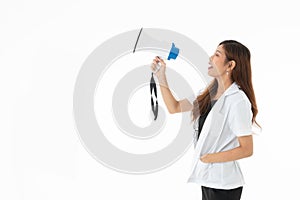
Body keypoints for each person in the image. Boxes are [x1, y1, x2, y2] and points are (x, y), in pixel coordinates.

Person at [150, 40, 259, 200]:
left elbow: (246, 149)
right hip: (208, 179)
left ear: (230, 65)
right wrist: (161, 76)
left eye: (217, 54)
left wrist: (208, 157)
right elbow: (174, 107)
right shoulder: (207, 93)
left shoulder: (238, 101)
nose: (210, 58)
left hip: (224, 185)